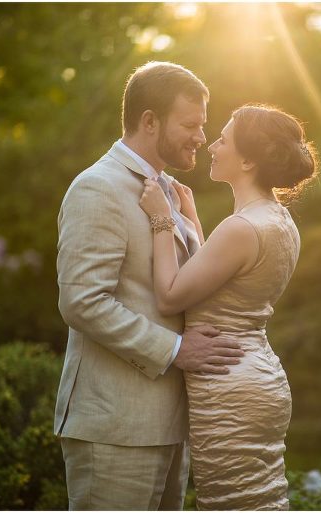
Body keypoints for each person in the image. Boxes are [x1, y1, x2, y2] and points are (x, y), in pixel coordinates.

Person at [54, 61, 244, 510]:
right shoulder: (97, 188)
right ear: (150, 121)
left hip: (171, 425)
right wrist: (176, 349)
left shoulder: (171, 191)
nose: (201, 137)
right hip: (116, 428)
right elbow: (82, 302)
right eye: (190, 125)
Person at [138, 104, 318, 510]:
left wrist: (162, 219)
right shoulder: (277, 218)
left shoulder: (241, 227)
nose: (211, 146)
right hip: (259, 375)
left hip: (229, 383)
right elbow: (219, 283)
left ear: (249, 161)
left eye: (223, 140)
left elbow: (170, 295)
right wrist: (192, 221)